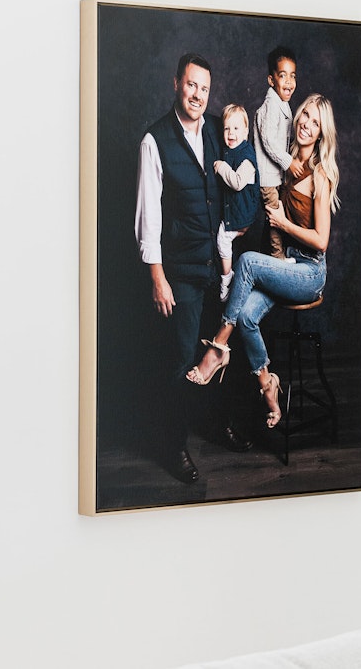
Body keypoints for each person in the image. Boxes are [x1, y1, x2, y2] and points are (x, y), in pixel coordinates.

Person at [186, 93, 340, 429]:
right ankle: (268, 384)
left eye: (315, 122)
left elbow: (321, 241)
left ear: (320, 133)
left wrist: (283, 224)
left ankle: (218, 347)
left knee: (247, 264)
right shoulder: (282, 161)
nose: (306, 124)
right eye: (305, 116)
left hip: (309, 272)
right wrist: (239, 226)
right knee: (246, 316)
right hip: (285, 263)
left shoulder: (320, 175)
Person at [135, 53, 252, 484]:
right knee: (182, 357)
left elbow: (244, 173)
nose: (198, 94)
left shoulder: (221, 129)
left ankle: (217, 421)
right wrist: (157, 276)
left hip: (216, 265)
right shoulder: (155, 139)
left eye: (204, 87)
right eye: (190, 85)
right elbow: (149, 215)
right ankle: (174, 444)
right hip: (180, 269)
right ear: (175, 84)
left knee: (220, 351)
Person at [253, 45, 304, 260]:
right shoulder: (272, 104)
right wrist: (289, 162)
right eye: (282, 76)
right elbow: (268, 140)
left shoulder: (283, 104)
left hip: (275, 177)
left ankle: (275, 256)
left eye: (292, 76)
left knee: (277, 215)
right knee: (275, 218)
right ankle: (278, 259)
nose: (289, 82)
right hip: (267, 177)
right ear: (271, 80)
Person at [214, 103, 260, 302]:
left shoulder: (247, 156)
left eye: (236, 128)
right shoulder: (230, 149)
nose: (231, 133)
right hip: (236, 209)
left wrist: (221, 167)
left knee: (222, 239)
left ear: (246, 131)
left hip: (243, 215)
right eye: (226, 128)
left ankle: (227, 278)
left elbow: (238, 182)